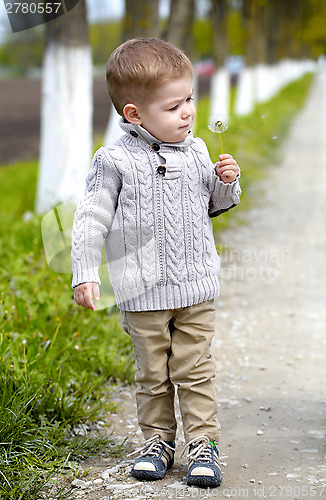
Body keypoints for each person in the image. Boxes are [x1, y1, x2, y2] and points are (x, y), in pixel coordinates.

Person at [71, 37, 241, 488]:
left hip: (196, 287)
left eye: (189, 99)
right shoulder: (114, 161)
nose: (187, 111)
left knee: (194, 369)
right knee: (152, 372)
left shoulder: (199, 151)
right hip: (141, 291)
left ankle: (203, 443)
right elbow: (91, 219)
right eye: (173, 106)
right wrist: (84, 270)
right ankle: (158, 441)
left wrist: (226, 182)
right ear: (135, 115)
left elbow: (215, 204)